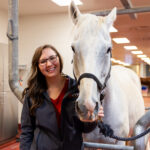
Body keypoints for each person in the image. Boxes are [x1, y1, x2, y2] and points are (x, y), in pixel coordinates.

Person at [20, 44, 104, 150]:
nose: (49, 64)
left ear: (59, 58)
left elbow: (84, 128)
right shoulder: (32, 94)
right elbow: (26, 131)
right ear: (37, 66)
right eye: (43, 61)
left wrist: (92, 120)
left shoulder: (77, 89)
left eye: (52, 58)